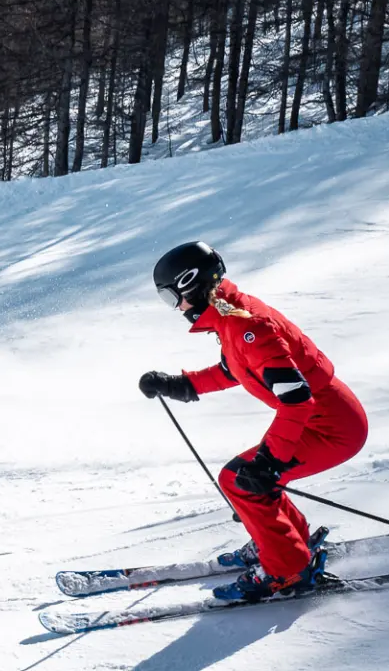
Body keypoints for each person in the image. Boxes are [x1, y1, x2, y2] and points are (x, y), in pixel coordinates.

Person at [137, 241, 369, 602]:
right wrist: (179, 385)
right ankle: (287, 542)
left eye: (172, 298)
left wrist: (270, 462)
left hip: (332, 426)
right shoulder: (232, 318)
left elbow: (296, 399)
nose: (177, 308)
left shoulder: (250, 327)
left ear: (191, 284)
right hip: (317, 417)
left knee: (243, 480)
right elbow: (237, 370)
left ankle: (287, 568)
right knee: (248, 479)